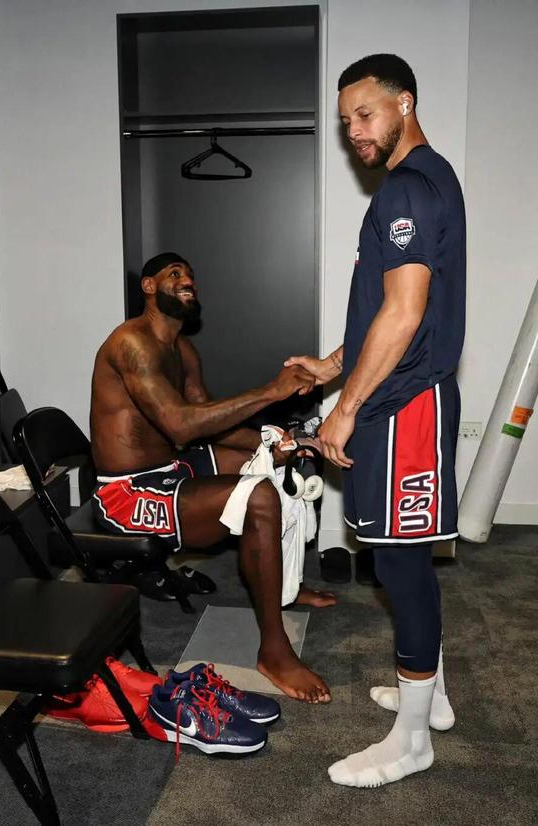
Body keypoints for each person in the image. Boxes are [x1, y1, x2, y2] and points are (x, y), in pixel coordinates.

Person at [287, 54, 465, 785]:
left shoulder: (406, 188)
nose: (354, 130)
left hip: (404, 407)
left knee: (401, 564)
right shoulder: (428, 177)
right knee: (398, 560)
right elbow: (383, 310)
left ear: (405, 103)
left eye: (365, 114)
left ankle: (413, 740)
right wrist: (334, 366)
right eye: (346, 121)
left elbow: (405, 313)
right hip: (397, 398)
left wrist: (346, 409)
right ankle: (433, 697)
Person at [89, 251, 332, 703]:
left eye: (190, 275)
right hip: (129, 493)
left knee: (271, 462)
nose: (187, 280)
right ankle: (274, 651)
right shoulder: (131, 343)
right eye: (174, 273)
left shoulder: (182, 349)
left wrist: (275, 441)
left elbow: (210, 422)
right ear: (148, 287)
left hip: (171, 470)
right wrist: (271, 391)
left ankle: (283, 584)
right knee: (259, 497)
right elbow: (181, 425)